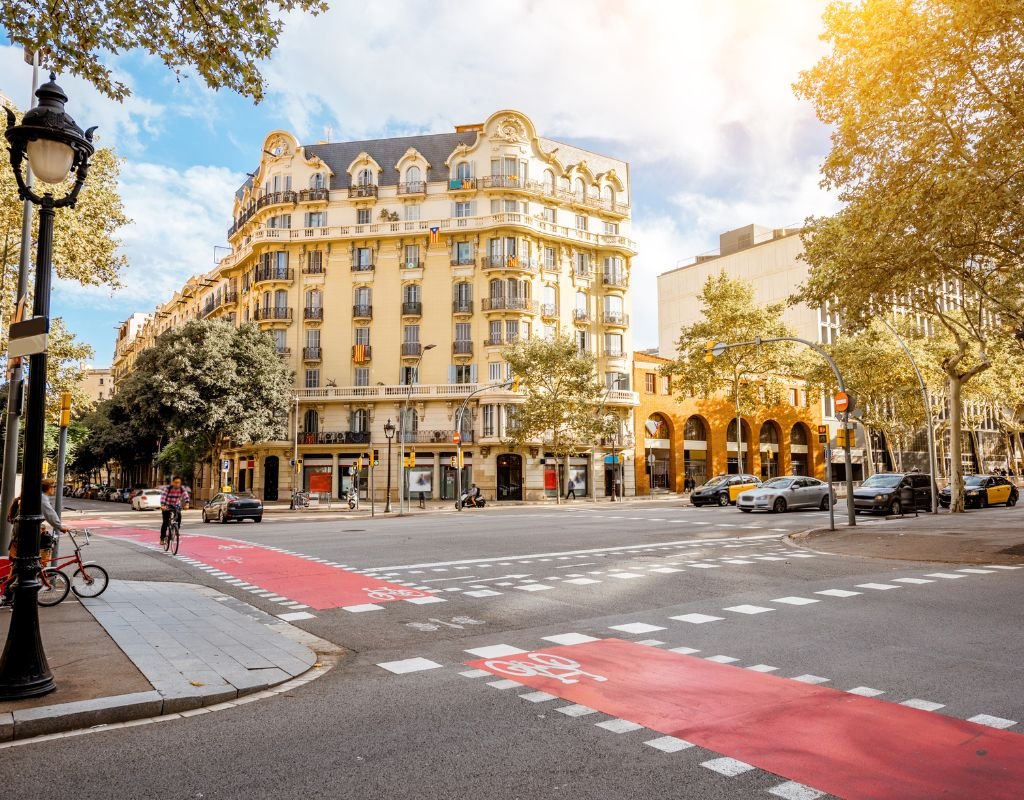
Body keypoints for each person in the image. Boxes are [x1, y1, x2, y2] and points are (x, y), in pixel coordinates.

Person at [160, 476, 191, 544]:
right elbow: (163, 497)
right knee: (165, 522)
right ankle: (162, 538)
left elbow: (185, 496)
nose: (177, 484)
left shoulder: (181, 488)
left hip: (176, 506)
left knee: (179, 516)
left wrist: (187, 504)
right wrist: (162, 505)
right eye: (176, 482)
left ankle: (176, 529)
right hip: (167, 506)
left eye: (179, 483)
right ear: (173, 482)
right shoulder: (168, 488)